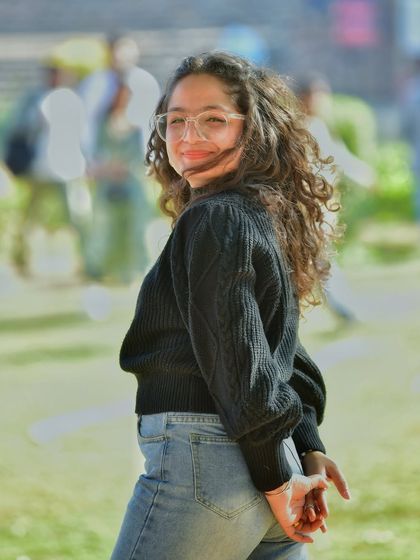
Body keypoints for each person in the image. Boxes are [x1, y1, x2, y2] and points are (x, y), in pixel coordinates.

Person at [111, 52, 350, 560]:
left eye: (213, 119)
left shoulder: (217, 219)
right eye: (175, 120)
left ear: (254, 131)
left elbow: (238, 357)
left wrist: (275, 475)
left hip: (212, 466)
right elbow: (278, 349)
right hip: (272, 460)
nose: (188, 134)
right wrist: (304, 444)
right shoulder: (248, 215)